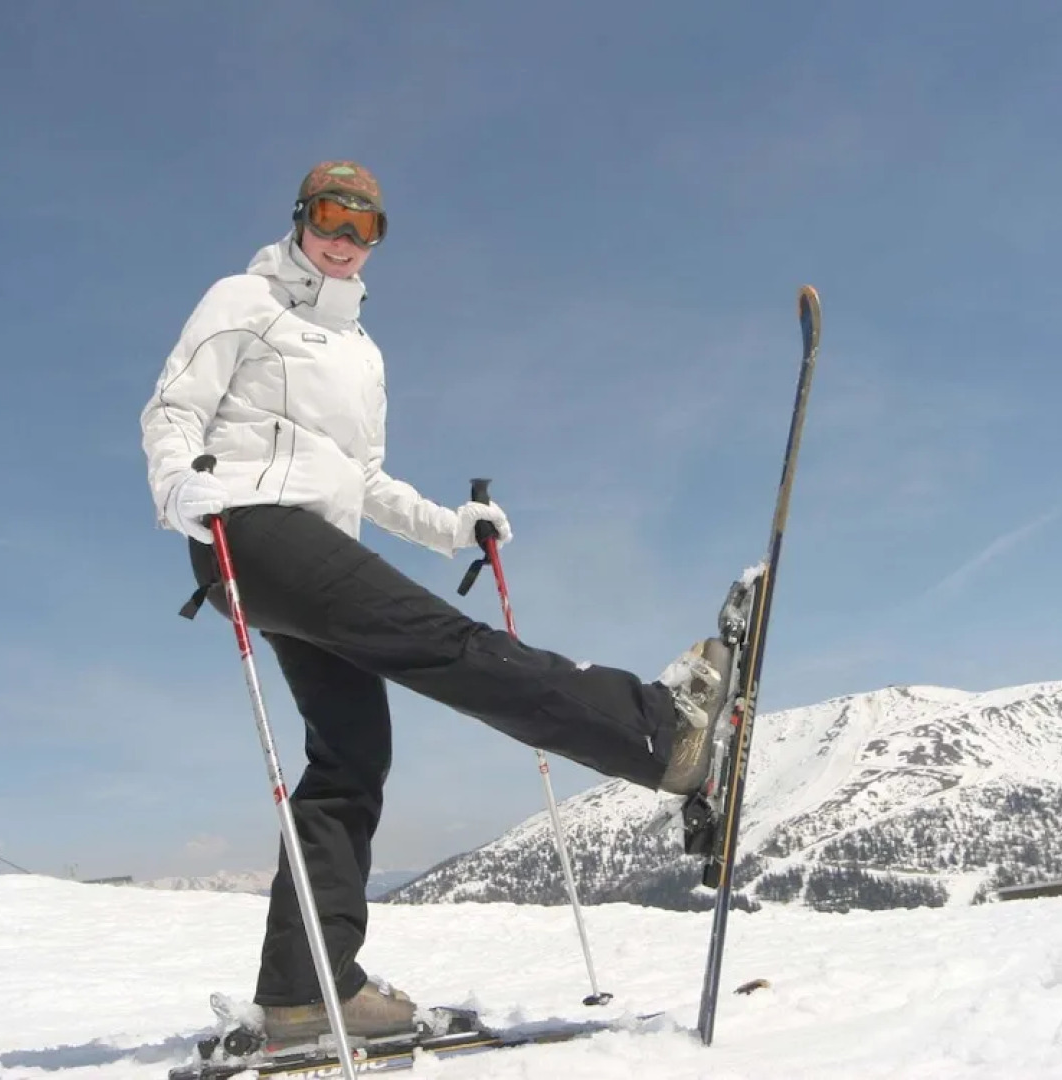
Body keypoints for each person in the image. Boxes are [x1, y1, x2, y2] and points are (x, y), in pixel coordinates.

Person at [139, 160, 731, 1046]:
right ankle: (659, 734)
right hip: (247, 528)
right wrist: (177, 486)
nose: (342, 241)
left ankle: (306, 993)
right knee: (446, 644)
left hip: (319, 552)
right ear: (299, 220)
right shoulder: (243, 300)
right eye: (330, 219)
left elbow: (366, 480)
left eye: (363, 228)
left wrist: (453, 528)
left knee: (352, 757)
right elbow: (172, 412)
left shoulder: (363, 354)